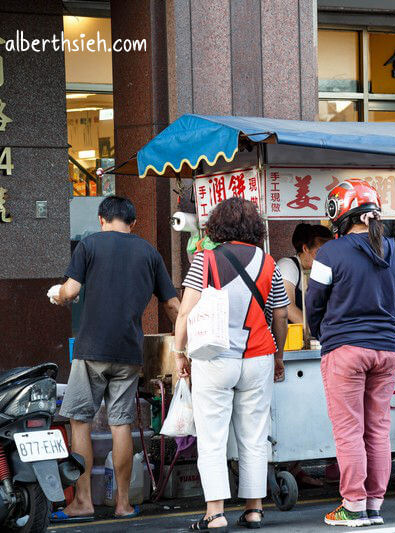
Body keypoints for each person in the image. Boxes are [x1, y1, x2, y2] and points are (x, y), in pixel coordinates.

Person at [50, 196, 180, 523]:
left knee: (79, 420)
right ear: (132, 223)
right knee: (120, 423)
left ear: (101, 219)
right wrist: (184, 342)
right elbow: (172, 305)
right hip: (129, 350)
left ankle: (82, 501)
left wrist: (58, 294)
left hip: (91, 348)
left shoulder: (89, 246)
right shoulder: (149, 252)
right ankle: (122, 503)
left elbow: (70, 290)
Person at [174, 197, 290, 530]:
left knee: (212, 437)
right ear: (254, 227)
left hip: (214, 357)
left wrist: (179, 352)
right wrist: (278, 354)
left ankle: (215, 512)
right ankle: (254, 508)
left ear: (219, 226)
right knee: (254, 435)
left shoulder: (205, 259)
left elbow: (185, 312)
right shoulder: (269, 263)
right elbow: (280, 315)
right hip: (258, 357)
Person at [306, 179, 395, 527]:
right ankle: (374, 504)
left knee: (349, 430)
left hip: (345, 350)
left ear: (340, 214)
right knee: (378, 428)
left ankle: (353, 505)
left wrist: (322, 334)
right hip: (387, 349)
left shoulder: (330, 253)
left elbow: (313, 304)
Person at [277, 223, 333, 325]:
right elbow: (287, 306)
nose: (325, 257)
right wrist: (315, 331)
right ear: (305, 249)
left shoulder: (324, 270)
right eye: (319, 252)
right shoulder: (287, 265)